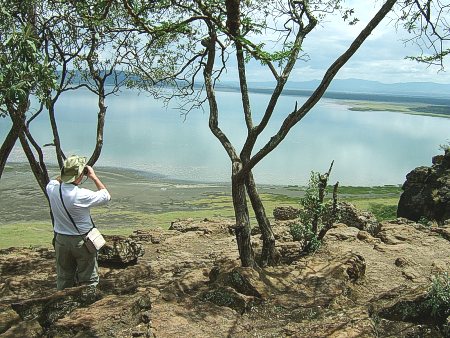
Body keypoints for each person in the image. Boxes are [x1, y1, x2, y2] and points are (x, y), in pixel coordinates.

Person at [46, 155, 111, 290]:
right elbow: (106, 196)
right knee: (89, 279)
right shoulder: (81, 195)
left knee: (64, 277)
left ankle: (62, 305)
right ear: (79, 176)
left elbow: (57, 180)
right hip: (81, 242)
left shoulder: (51, 188)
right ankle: (87, 307)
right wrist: (93, 176)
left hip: (61, 241)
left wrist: (69, 174)